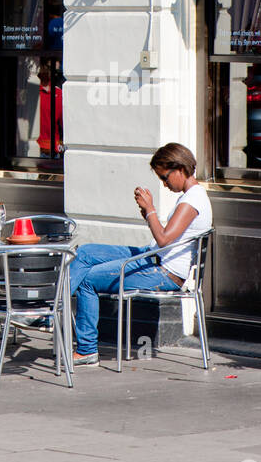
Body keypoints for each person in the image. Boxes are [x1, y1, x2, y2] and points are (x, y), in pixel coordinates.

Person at [68, 142, 212, 365]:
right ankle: (51, 305)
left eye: (164, 177)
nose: (164, 184)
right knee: (86, 252)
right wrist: (148, 214)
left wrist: (151, 210)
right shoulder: (190, 196)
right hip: (152, 257)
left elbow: (164, 238)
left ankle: (85, 348)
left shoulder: (193, 199)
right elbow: (165, 239)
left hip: (163, 272)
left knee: (87, 280)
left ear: (180, 170)